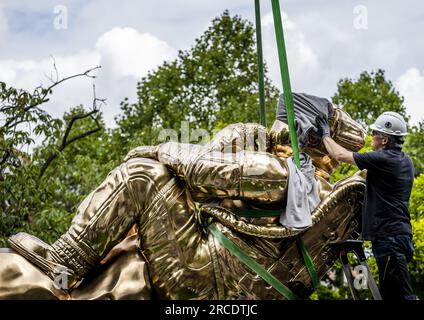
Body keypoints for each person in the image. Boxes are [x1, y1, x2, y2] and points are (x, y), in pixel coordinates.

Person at [316, 111, 417, 300]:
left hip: (390, 239)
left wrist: (324, 135)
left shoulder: (383, 160)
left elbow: (340, 155)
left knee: (404, 295)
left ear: (385, 140)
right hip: (399, 236)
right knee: (390, 294)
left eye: (374, 133)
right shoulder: (406, 161)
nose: (372, 136)